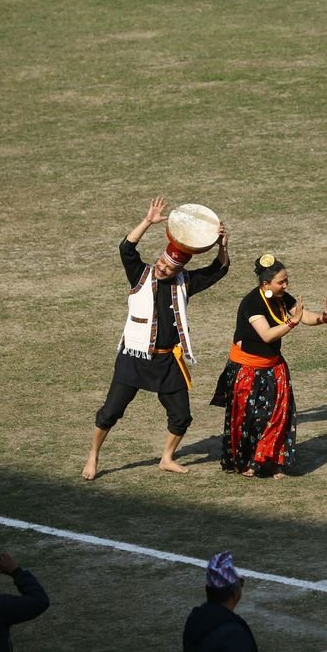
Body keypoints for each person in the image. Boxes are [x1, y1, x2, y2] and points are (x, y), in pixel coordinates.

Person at [83, 196, 230, 480]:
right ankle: (93, 456)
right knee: (110, 412)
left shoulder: (185, 283)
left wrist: (222, 245)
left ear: (179, 269)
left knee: (181, 416)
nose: (162, 269)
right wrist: (148, 222)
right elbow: (126, 248)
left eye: (169, 268)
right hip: (134, 359)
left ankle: (166, 457)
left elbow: (218, 270)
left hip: (167, 361)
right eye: (162, 263)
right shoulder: (140, 275)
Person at [211, 255, 327, 478]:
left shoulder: (280, 297)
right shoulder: (252, 303)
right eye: (281, 282)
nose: (286, 285)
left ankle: (273, 461)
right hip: (247, 370)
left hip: (273, 367)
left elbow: (302, 314)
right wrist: (291, 322)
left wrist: (322, 318)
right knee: (251, 418)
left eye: (286, 280)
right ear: (265, 284)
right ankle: (248, 462)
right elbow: (267, 335)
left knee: (279, 416)